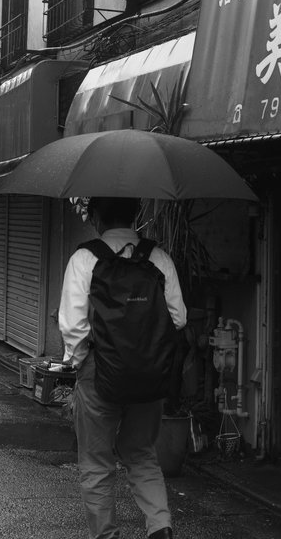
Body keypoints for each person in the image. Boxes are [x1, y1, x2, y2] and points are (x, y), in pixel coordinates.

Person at [59, 196, 187, 539]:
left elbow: (72, 326)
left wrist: (82, 360)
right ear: (135, 215)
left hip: (99, 372)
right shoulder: (158, 257)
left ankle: (107, 535)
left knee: (97, 462)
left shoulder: (85, 258)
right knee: (141, 453)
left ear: (97, 216)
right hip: (149, 374)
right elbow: (179, 318)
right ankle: (159, 526)